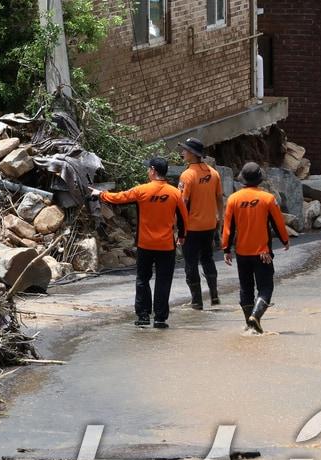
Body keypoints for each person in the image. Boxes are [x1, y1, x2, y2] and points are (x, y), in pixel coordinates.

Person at [92, 157, 187, 329]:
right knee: (163, 281)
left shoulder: (142, 190)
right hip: (166, 246)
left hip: (145, 244)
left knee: (143, 279)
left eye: (148, 170)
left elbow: (119, 197)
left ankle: (143, 316)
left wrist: (100, 194)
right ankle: (160, 319)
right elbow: (183, 217)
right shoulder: (175, 193)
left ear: (152, 170)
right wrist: (182, 235)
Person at [221, 162, 289, 333]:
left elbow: (228, 227)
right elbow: (278, 223)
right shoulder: (267, 198)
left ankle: (249, 325)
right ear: (260, 179)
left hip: (242, 253)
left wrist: (226, 249)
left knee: (246, 288)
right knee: (266, 287)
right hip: (262, 253)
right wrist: (285, 240)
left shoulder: (233, 199)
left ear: (243, 179)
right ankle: (256, 317)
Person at [177, 137, 224, 310]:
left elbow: (182, 203)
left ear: (192, 154)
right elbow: (220, 198)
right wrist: (220, 217)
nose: (182, 152)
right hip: (210, 225)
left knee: (190, 263)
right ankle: (214, 296)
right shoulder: (213, 173)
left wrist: (177, 228)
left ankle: (197, 301)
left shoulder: (187, 175)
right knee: (207, 259)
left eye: (185, 150)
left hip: (192, 227)